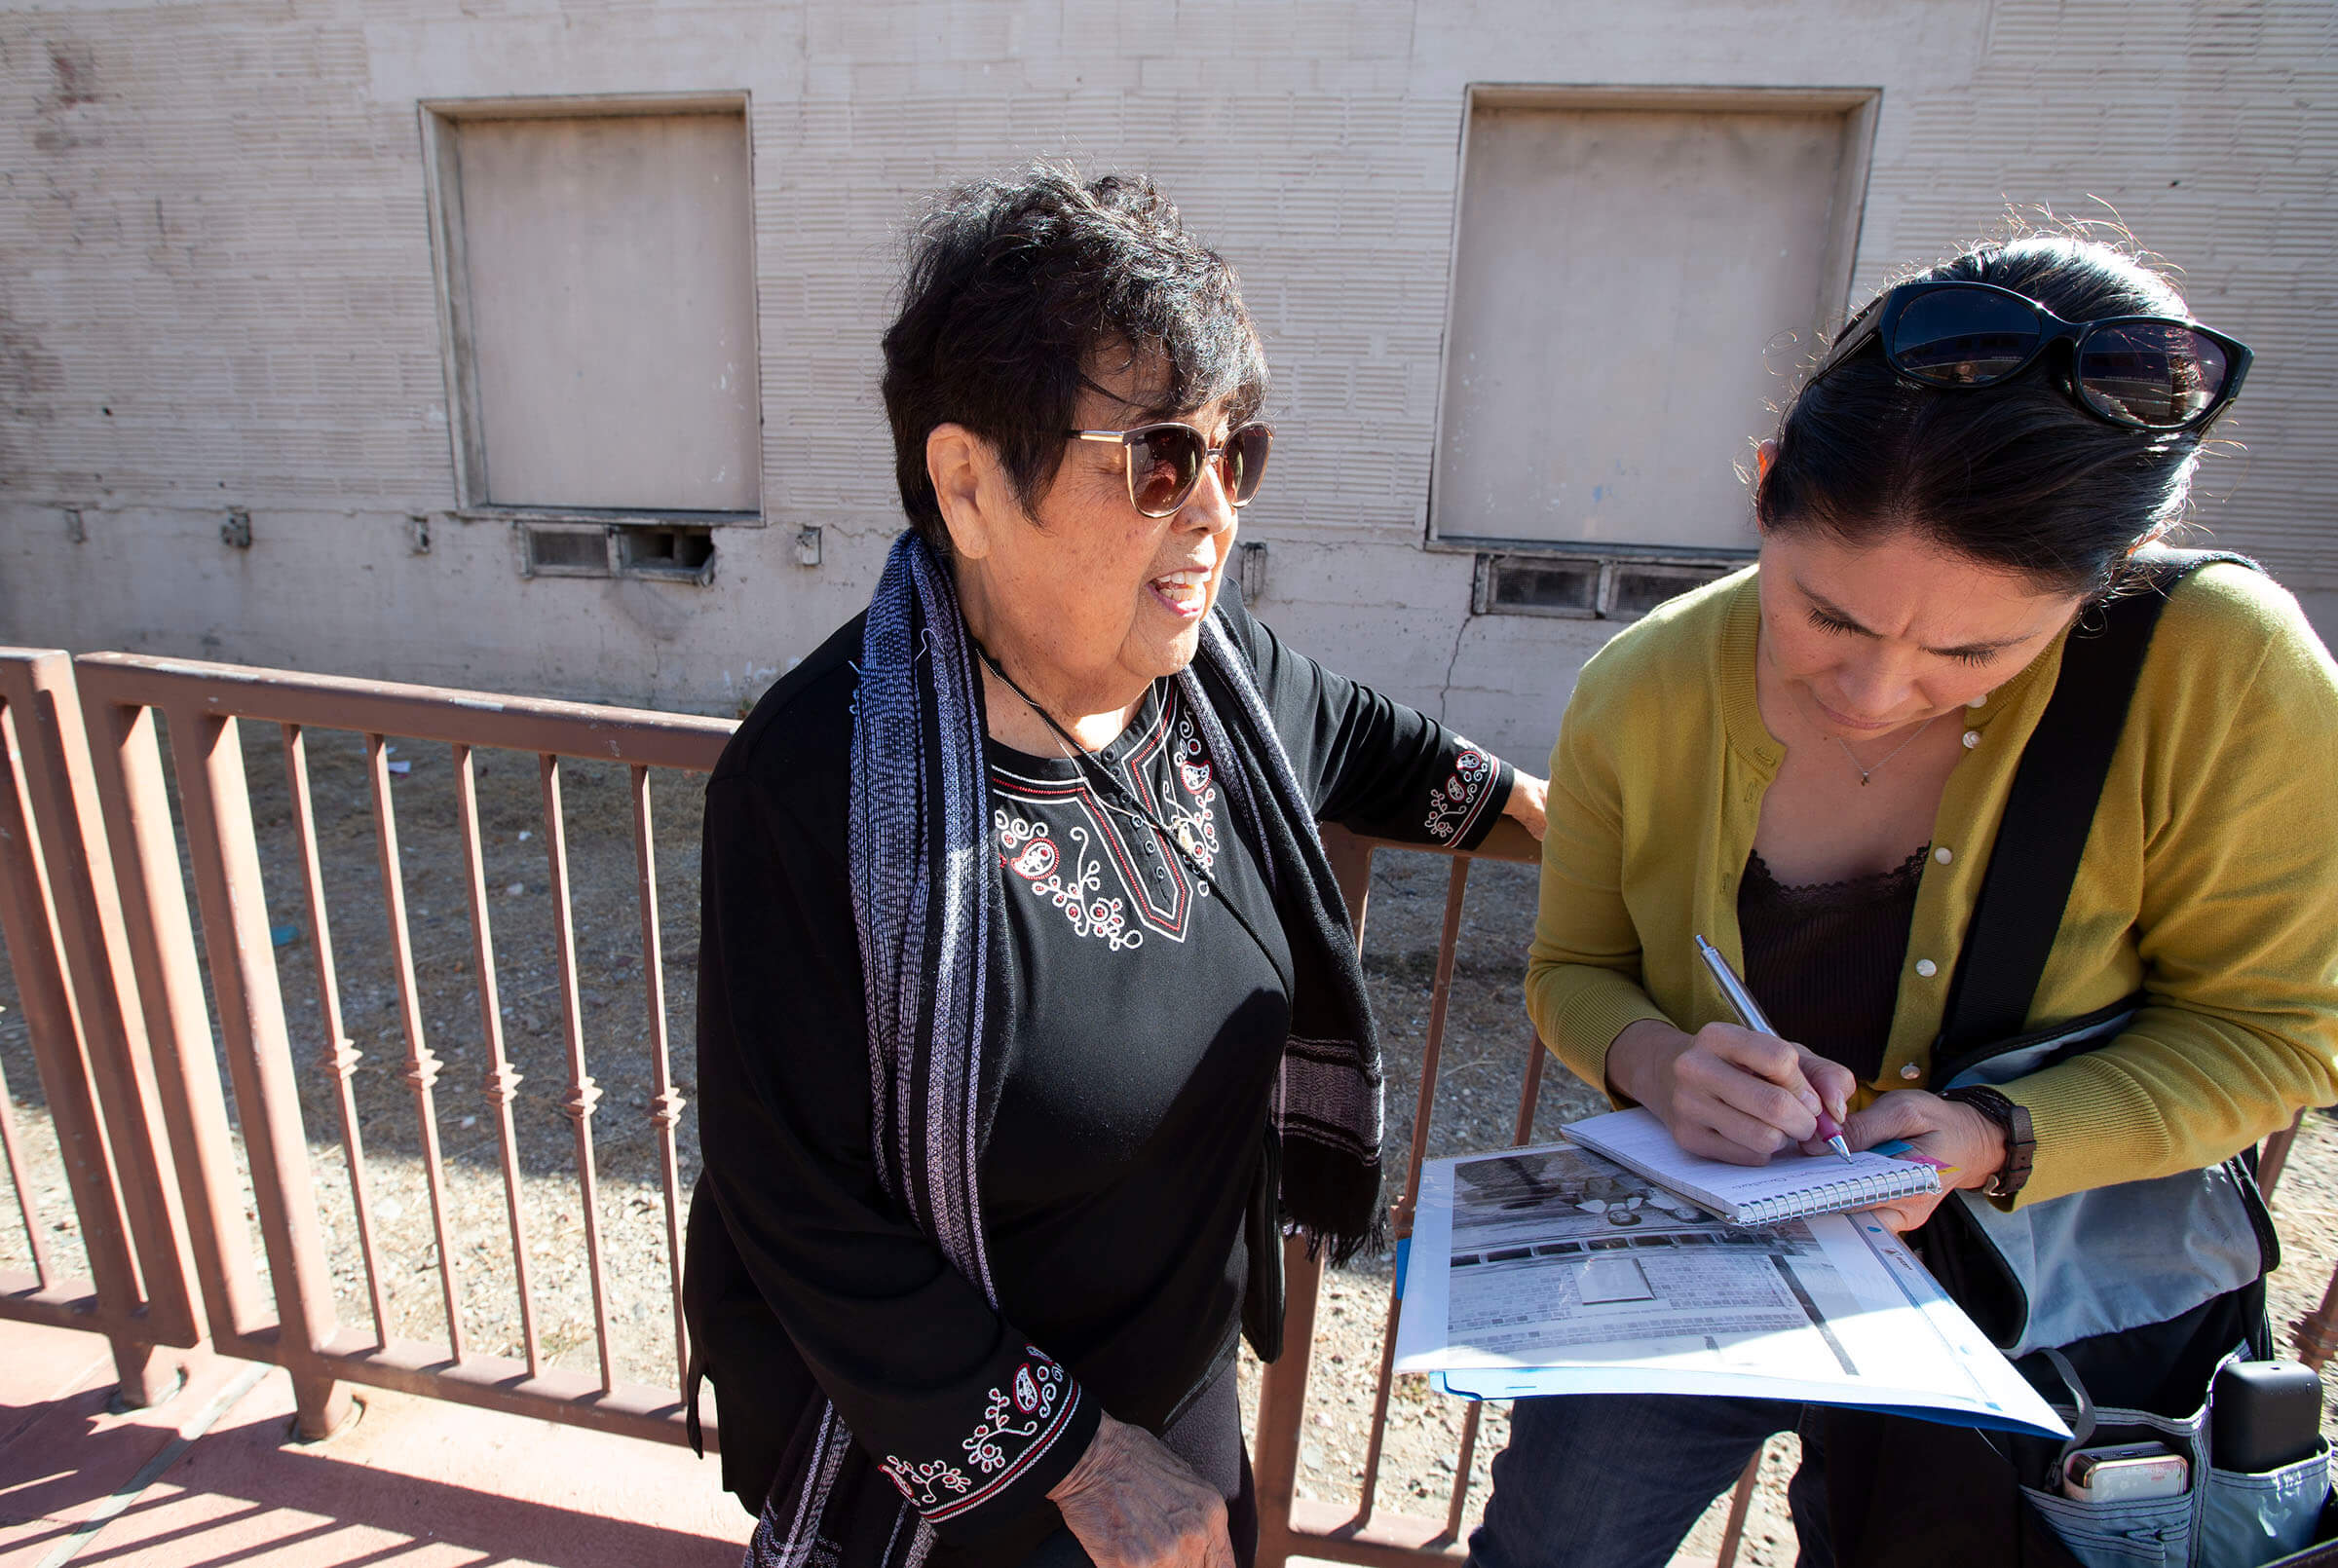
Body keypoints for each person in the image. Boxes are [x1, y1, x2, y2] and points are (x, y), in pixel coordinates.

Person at [684, 165, 1549, 1568]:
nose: (1213, 512)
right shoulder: (813, 787)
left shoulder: (1220, 681)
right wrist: (1080, 1465)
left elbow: (1378, 747)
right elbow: (799, 1203)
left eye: (1235, 452)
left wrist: (1573, 824)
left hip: (1180, 1383)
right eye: (1159, 459)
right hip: (936, 1440)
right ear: (968, 482)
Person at [1471, 231, 2338, 1568]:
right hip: (1708, 1250)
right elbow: (1573, 969)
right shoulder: (1639, 687)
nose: (1875, 692)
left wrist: (1993, 1134)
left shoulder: (2222, 666)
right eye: (1824, 613)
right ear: (1765, 490)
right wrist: (1658, 1060)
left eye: (1976, 650)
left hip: (2046, 1291)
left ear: (2119, 571)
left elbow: (2279, 1031)